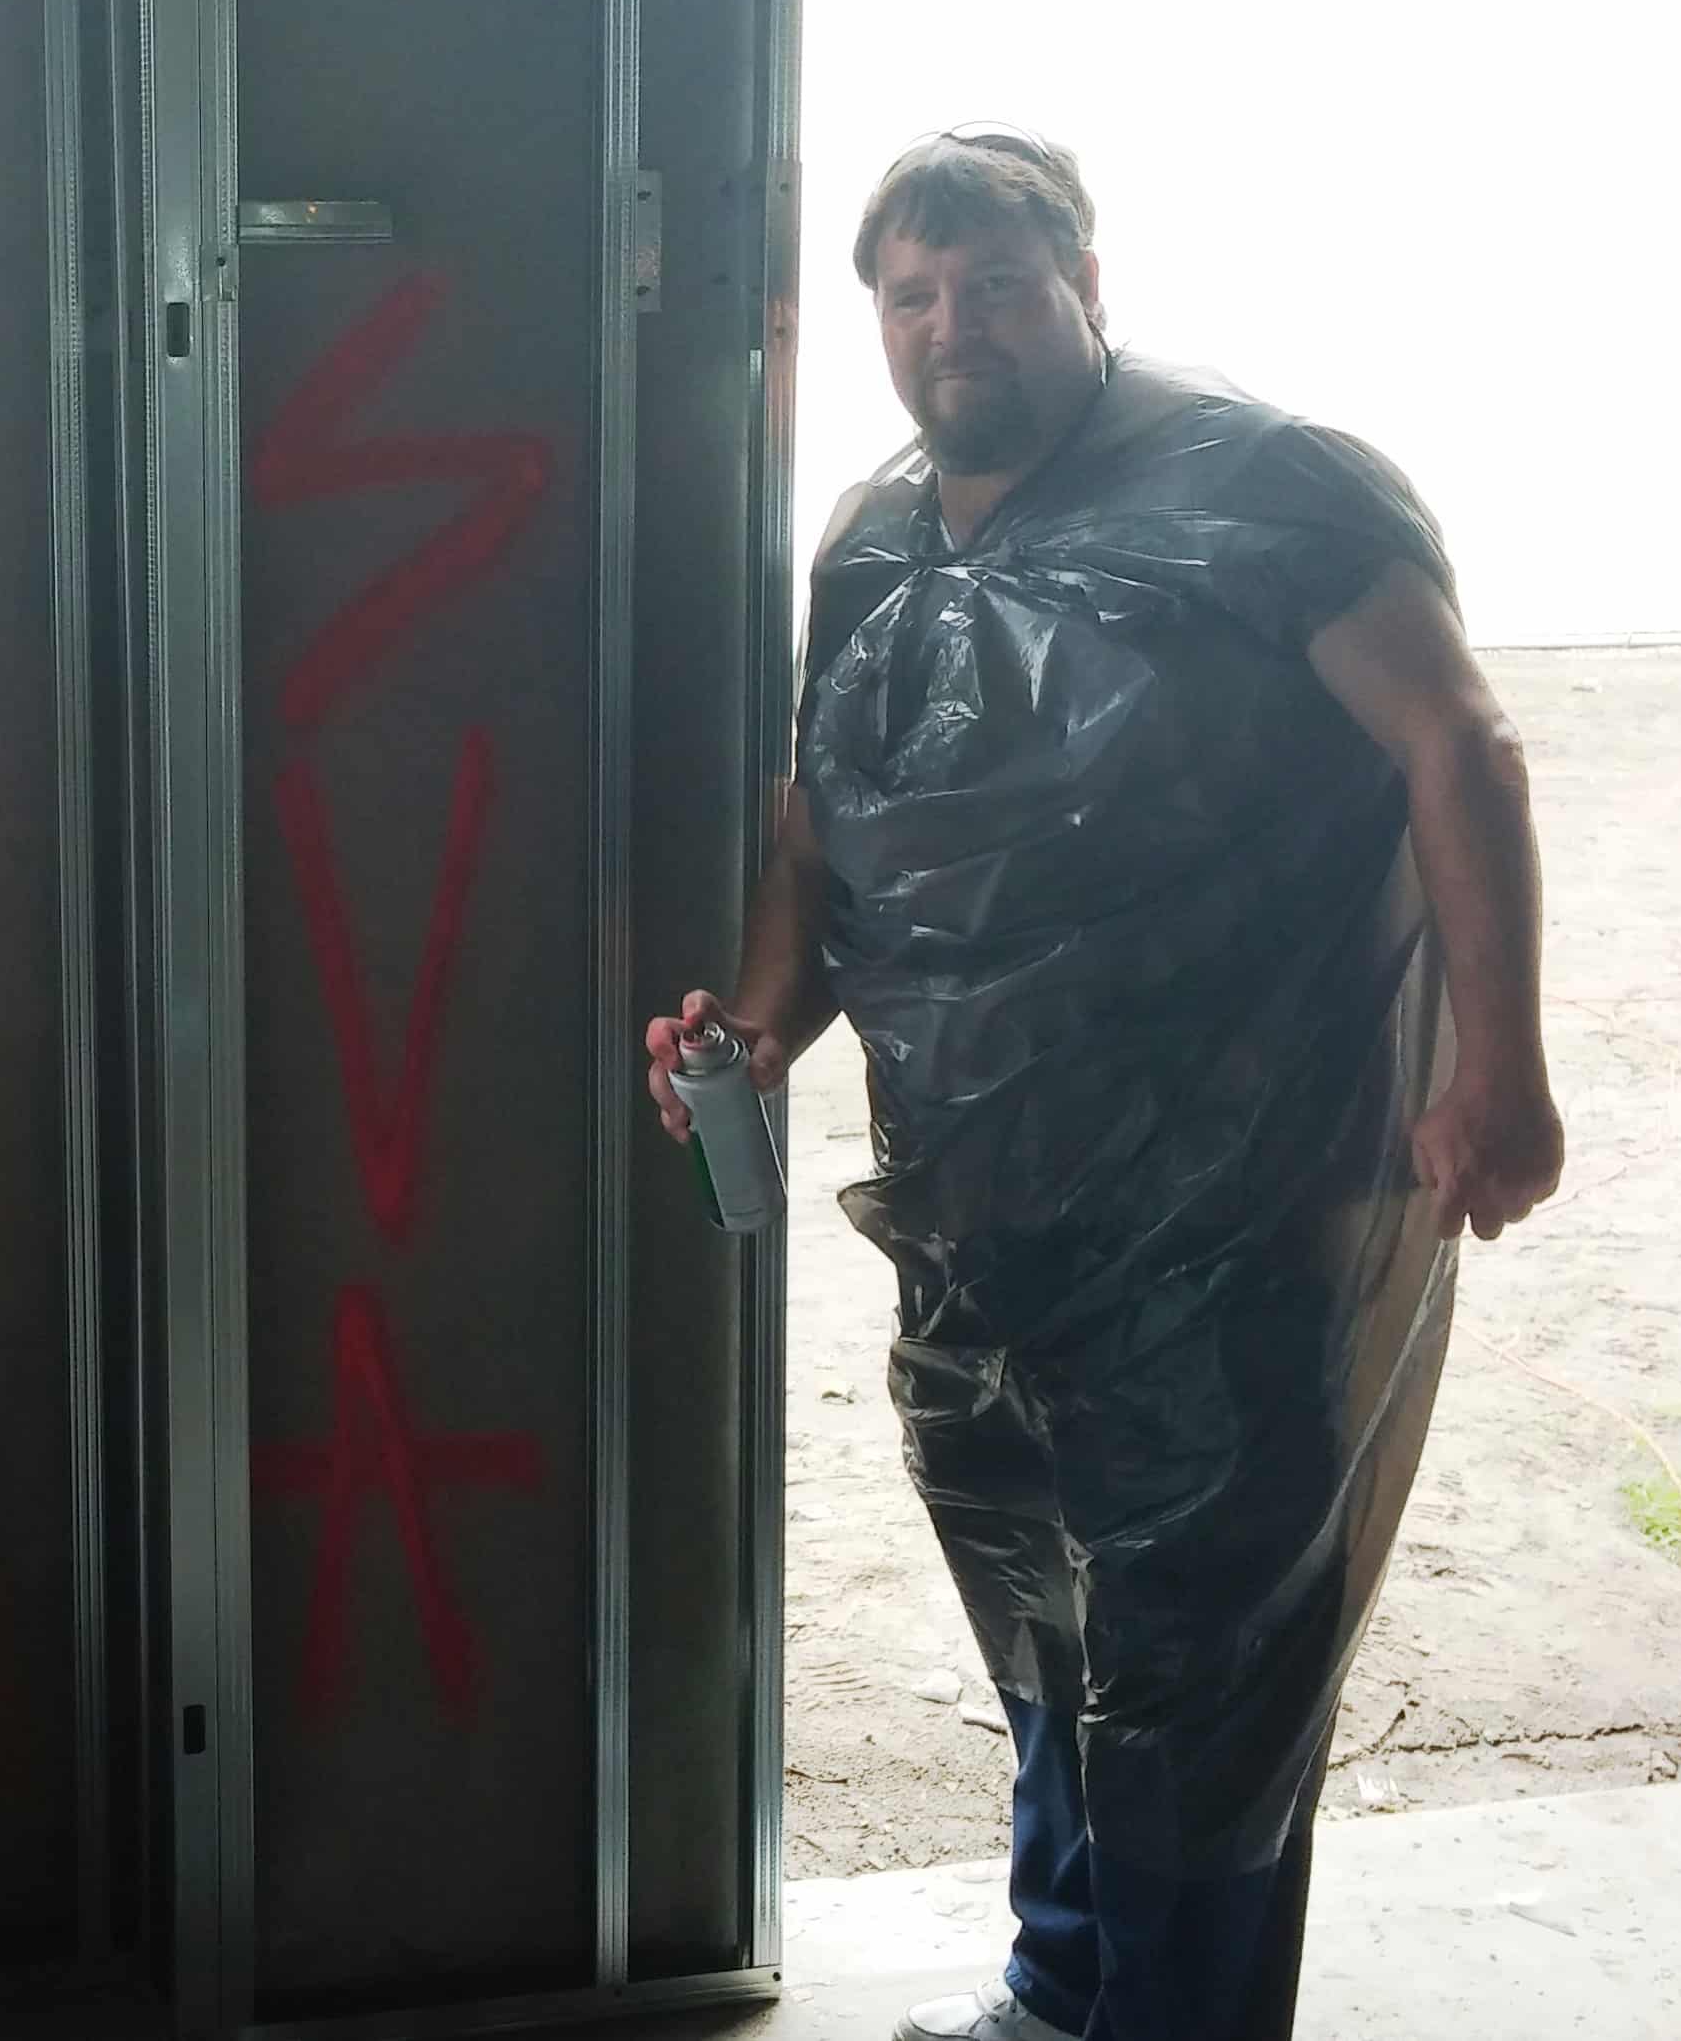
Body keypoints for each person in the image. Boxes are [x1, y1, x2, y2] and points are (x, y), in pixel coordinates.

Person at [645, 127, 1562, 2041]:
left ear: (1084, 288)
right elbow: (830, 833)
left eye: (994, 285)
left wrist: (1503, 1071)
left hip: (1230, 1206)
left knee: (1200, 1653)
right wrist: (749, 1025)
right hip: (980, 1214)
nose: (950, 326)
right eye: (912, 294)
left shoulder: (1270, 492)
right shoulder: (879, 535)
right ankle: (1063, 1994)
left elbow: (1459, 749)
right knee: (1046, 1620)